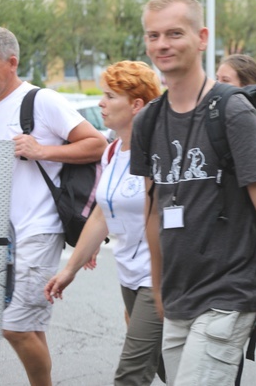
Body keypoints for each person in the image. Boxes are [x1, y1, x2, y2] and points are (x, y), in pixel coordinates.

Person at [129, 0, 256, 384]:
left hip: (228, 293)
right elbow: (153, 209)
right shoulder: (148, 121)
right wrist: (157, 286)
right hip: (177, 297)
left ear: (201, 37)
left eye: (174, 33)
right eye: (153, 36)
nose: (162, 45)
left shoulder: (233, 111)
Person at [0, 26, 108, 386]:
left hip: (38, 230)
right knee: (27, 326)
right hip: (3, 234)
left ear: (11, 63)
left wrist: (42, 150)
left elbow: (96, 144)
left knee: (13, 327)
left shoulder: (40, 101)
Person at [44, 61, 165, 385]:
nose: (101, 103)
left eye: (110, 96)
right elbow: (101, 212)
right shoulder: (113, 151)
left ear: (136, 105)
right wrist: (69, 270)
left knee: (131, 375)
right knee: (169, 366)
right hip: (128, 274)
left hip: (159, 279)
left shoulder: (159, 152)